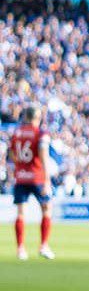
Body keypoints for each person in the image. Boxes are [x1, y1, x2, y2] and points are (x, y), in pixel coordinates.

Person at [8, 105, 54, 261]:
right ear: (37, 118)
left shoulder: (17, 133)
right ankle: (44, 246)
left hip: (21, 177)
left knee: (21, 213)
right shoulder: (40, 134)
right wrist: (47, 180)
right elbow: (43, 156)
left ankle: (21, 249)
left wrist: (20, 167)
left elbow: (12, 155)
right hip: (37, 177)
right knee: (47, 209)